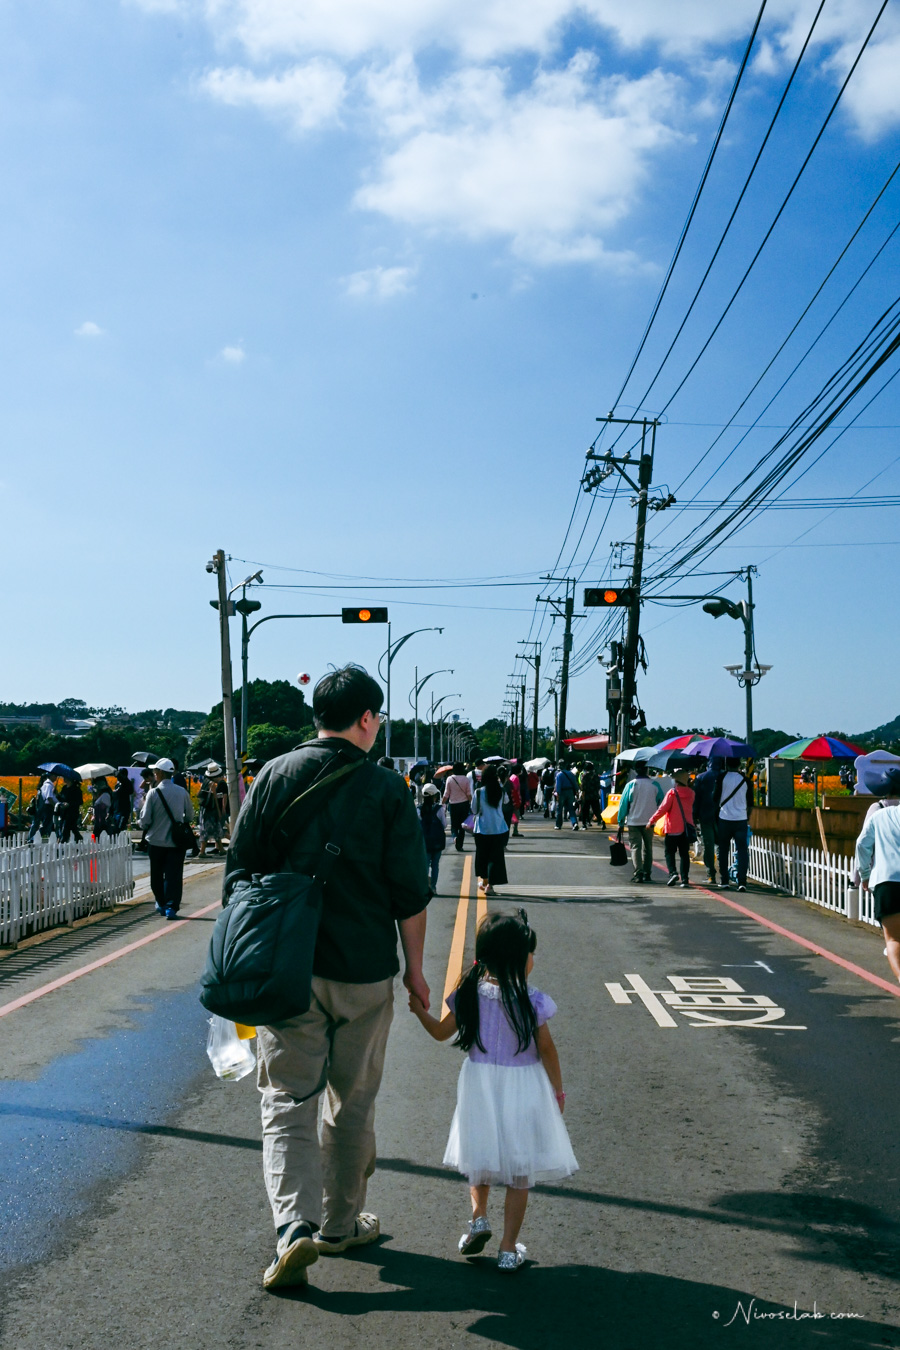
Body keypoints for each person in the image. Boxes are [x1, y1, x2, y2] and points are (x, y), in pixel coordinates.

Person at [223, 665, 430, 1292]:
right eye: (378, 717)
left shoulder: (273, 775)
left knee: (288, 1100)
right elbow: (410, 893)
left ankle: (293, 1228)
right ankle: (339, 1225)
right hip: (364, 970)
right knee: (352, 1101)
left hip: (286, 970)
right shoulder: (388, 788)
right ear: (366, 719)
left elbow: (239, 875)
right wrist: (417, 973)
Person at [408, 910, 577, 1271]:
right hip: (523, 1086)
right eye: (530, 953)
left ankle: (478, 1218)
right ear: (517, 958)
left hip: (479, 1084)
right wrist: (558, 1091)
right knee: (520, 1170)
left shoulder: (470, 993)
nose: (533, 959)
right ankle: (507, 1248)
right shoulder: (531, 1001)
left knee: (480, 1155)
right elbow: (547, 1050)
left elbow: (440, 1033)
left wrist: (419, 1012)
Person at [856, 769, 900, 986]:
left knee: (893, 940)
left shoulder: (879, 815)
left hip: (887, 881)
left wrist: (864, 875)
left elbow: (862, 845)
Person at [138, 758, 195, 918]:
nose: (154, 774)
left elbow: (145, 820)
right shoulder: (182, 792)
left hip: (156, 841)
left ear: (160, 773)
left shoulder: (153, 793)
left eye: (155, 772)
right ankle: (171, 906)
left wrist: (141, 822)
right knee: (174, 876)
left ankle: (161, 902)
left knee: (157, 875)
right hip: (176, 842)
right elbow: (189, 816)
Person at [648, 768, 695, 888]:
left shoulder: (672, 793)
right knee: (684, 854)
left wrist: (651, 821)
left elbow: (662, 809)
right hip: (686, 829)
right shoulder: (691, 793)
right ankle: (685, 879)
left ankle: (673, 873)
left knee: (669, 852)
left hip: (672, 828)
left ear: (676, 780)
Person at [616, 762, 663, 882]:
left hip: (633, 822)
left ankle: (638, 874)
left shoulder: (630, 785)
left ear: (636, 770)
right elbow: (661, 801)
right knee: (648, 848)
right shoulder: (655, 785)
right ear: (647, 770)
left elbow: (623, 805)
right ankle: (647, 873)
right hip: (649, 822)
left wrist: (620, 822)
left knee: (635, 847)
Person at [714, 757, 752, 891]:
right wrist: (747, 816)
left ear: (726, 764)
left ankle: (724, 880)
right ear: (739, 764)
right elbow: (750, 802)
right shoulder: (745, 780)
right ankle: (742, 882)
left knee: (723, 850)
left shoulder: (721, 777)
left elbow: (715, 797)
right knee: (742, 851)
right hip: (741, 819)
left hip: (724, 818)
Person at [472, 763, 509, 896]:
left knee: (482, 856)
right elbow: (506, 802)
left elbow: (474, 810)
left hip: (482, 828)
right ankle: (490, 886)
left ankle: (485, 881)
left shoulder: (479, 792)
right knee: (495, 857)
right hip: (498, 828)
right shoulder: (501, 790)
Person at [692, 761, 722, 886]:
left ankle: (711, 875)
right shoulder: (724, 775)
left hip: (705, 816)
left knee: (708, 845)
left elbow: (696, 799)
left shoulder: (701, 777)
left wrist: (694, 815)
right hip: (722, 816)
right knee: (721, 844)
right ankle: (723, 874)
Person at [420, 782, 447, 896]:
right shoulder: (439, 809)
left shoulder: (419, 810)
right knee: (435, 865)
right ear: (434, 796)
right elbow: (444, 825)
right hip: (437, 843)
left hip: (424, 843)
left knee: (425, 866)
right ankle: (433, 887)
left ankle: (425, 887)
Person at [443, 762, 473, 852]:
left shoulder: (450, 779)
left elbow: (446, 794)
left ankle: (455, 837)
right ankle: (460, 845)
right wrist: (471, 803)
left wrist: (442, 803)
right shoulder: (465, 779)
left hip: (453, 805)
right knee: (462, 826)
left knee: (454, 825)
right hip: (464, 804)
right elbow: (468, 793)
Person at [198, 764, 227, 856]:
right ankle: (202, 851)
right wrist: (219, 812)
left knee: (211, 829)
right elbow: (215, 799)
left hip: (204, 810)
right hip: (211, 811)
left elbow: (199, 795)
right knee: (212, 829)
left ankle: (221, 849)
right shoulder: (212, 785)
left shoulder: (204, 783)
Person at [28, 774, 57, 842]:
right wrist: (55, 805)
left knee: (40, 824)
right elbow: (49, 798)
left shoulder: (44, 786)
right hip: (46, 807)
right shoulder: (48, 785)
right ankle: (33, 838)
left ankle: (32, 838)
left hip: (41, 808)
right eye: (55, 776)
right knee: (46, 824)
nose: (56, 777)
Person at [57, 776, 83, 843]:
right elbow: (61, 798)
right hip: (64, 812)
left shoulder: (76, 789)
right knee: (73, 828)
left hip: (72, 812)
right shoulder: (64, 788)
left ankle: (63, 841)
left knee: (66, 827)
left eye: (65, 777)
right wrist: (56, 794)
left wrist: (69, 804)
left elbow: (80, 801)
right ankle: (79, 838)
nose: (64, 779)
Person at [554, 763, 579, 831]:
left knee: (559, 809)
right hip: (570, 792)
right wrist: (576, 791)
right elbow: (575, 783)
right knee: (571, 808)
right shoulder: (571, 774)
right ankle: (574, 823)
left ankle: (558, 825)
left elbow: (558, 785)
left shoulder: (559, 775)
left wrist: (558, 794)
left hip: (562, 792)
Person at [112, 769, 134, 834]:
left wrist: (119, 776)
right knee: (115, 828)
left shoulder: (127, 783)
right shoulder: (118, 785)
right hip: (116, 809)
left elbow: (130, 791)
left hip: (123, 810)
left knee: (119, 828)